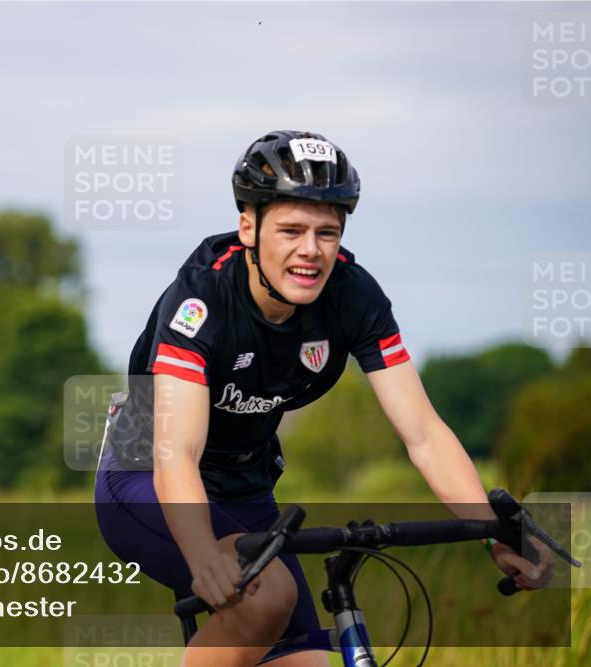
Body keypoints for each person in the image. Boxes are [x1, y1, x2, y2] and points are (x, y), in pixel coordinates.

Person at [94, 130, 552, 667]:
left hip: (247, 487)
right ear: (248, 227)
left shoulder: (353, 296)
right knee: (267, 595)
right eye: (290, 230)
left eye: (327, 233)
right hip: (148, 476)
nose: (310, 251)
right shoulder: (200, 300)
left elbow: (424, 433)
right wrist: (203, 561)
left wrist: (493, 534)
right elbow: (176, 453)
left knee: (308, 662)